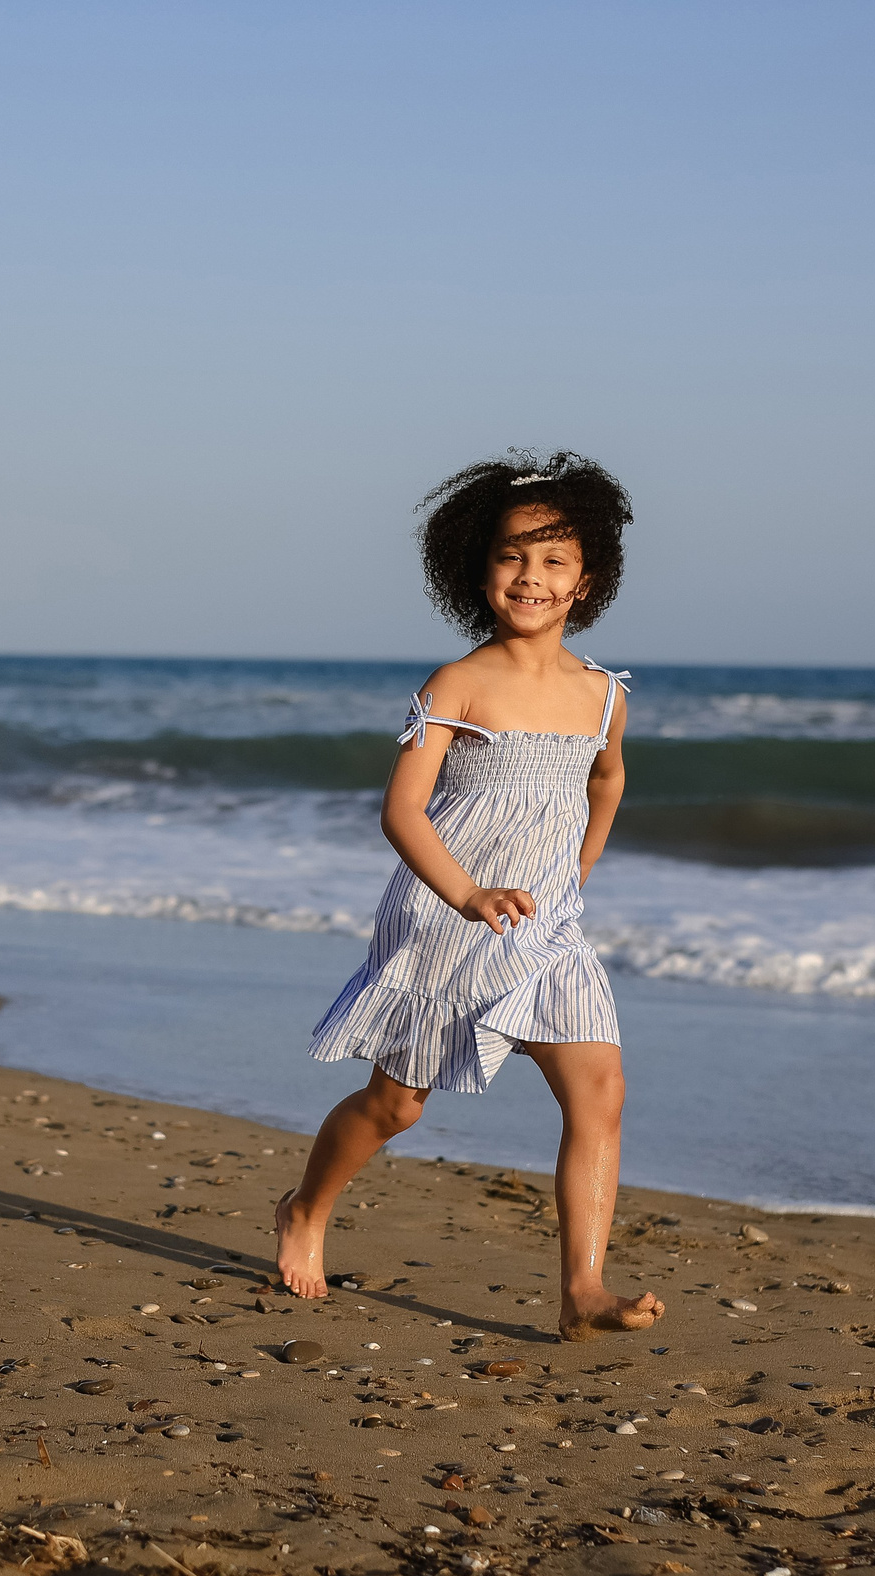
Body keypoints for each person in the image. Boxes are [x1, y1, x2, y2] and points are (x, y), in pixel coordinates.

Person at [278, 451, 664, 1342]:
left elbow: (606, 784)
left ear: (586, 580)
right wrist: (465, 893)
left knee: (599, 1086)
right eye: (511, 555)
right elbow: (402, 810)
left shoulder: (605, 695)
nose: (530, 576)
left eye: (553, 560)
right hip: (442, 915)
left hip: (546, 923)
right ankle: (303, 1209)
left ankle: (583, 1288)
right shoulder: (457, 683)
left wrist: (578, 876)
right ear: (479, 568)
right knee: (396, 1104)